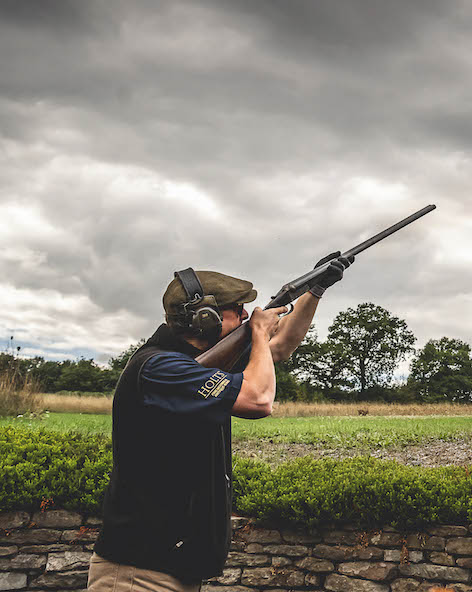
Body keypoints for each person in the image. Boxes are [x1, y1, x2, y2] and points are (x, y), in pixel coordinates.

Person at [88, 254, 353, 592]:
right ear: (204, 318)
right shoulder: (159, 369)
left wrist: (314, 290)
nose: (247, 315)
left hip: (170, 569)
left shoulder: (193, 366)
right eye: (238, 309)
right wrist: (257, 334)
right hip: (136, 574)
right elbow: (259, 399)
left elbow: (280, 347)